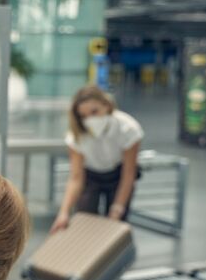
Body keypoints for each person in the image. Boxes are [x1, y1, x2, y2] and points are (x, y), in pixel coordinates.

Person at [51, 85, 144, 233]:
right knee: (85, 220)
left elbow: (128, 174)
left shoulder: (128, 128)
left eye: (94, 112)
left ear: (106, 106)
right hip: (91, 177)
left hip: (118, 175)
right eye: (83, 116)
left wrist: (117, 209)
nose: (90, 119)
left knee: (115, 225)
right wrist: (64, 212)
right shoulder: (76, 135)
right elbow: (76, 177)